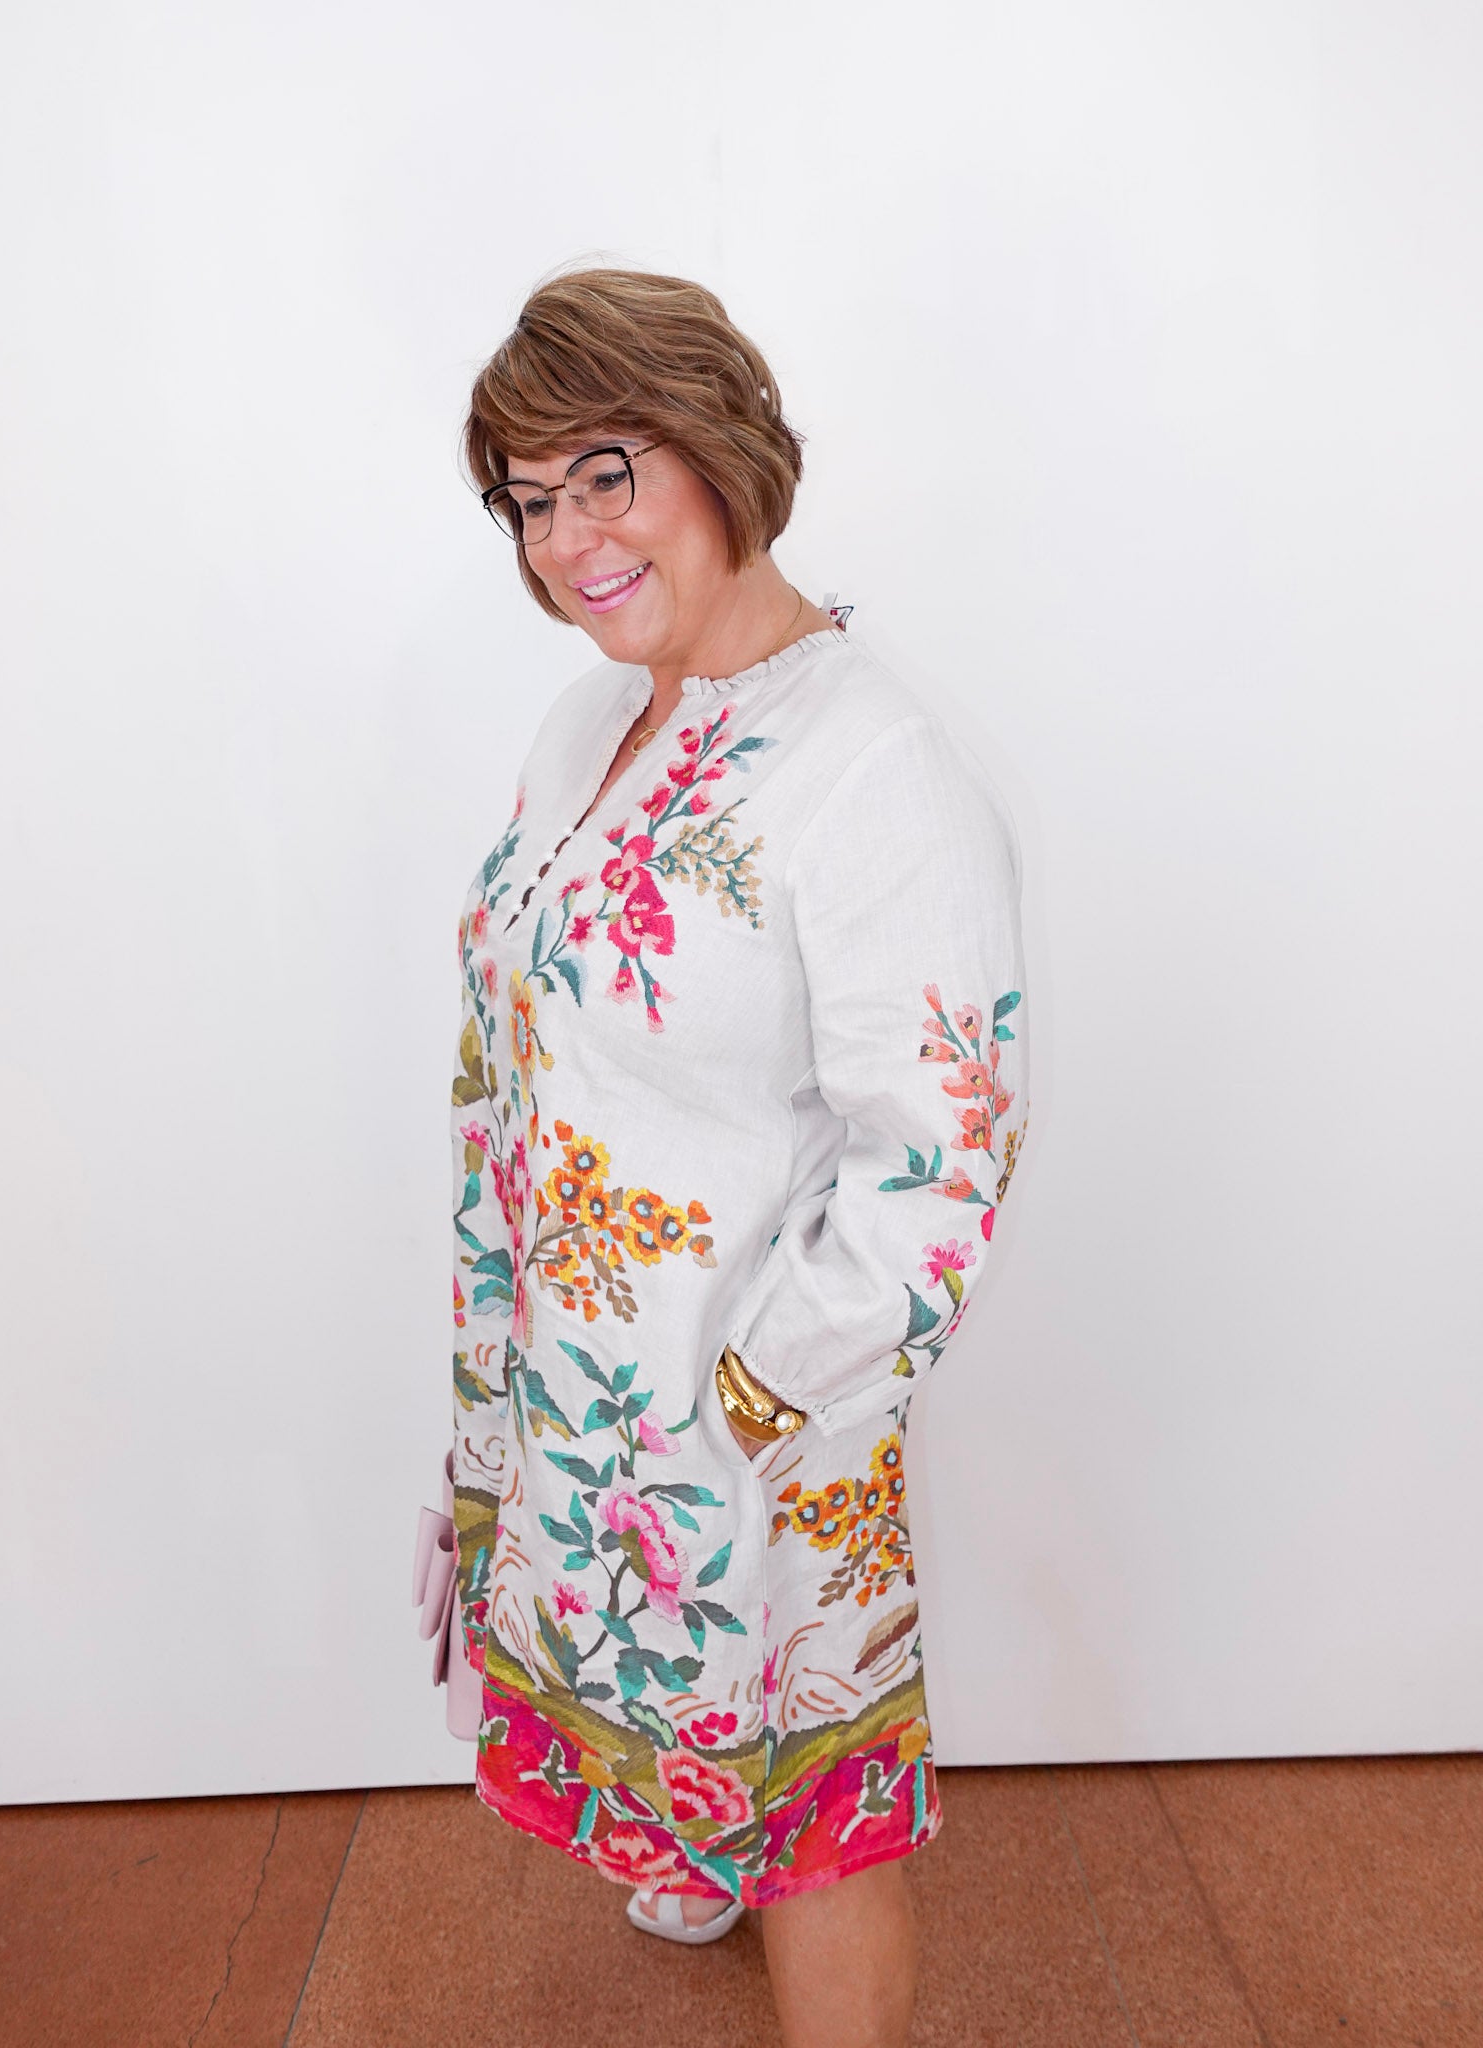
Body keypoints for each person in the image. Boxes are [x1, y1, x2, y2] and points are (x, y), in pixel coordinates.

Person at [416, 266, 1029, 2048]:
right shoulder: (590, 721)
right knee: (709, 1764)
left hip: (754, 1424)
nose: (566, 538)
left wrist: (749, 1403)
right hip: (593, 1404)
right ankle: (694, 1848)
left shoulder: (871, 770)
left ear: (718, 444)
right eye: (531, 499)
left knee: (817, 1818)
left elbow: (942, 1166)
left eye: (607, 471)